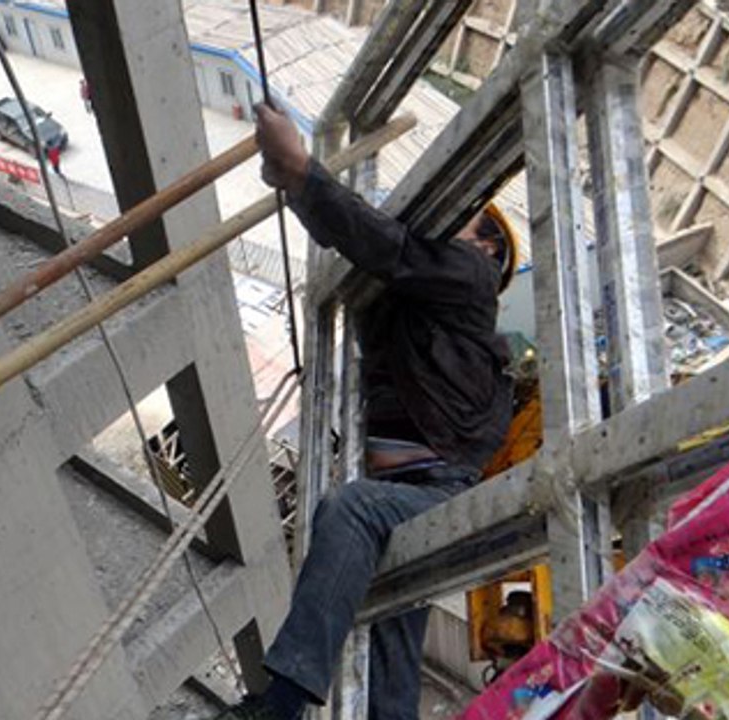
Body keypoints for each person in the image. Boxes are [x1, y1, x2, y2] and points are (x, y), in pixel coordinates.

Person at [216, 105, 514, 720]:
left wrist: (301, 172)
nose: (451, 229)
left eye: (466, 222)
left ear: (489, 248)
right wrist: (301, 194)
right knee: (393, 630)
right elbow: (371, 249)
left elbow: (388, 246)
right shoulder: (420, 310)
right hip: (412, 493)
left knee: (350, 506)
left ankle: (283, 706)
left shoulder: (472, 275)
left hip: (435, 490)